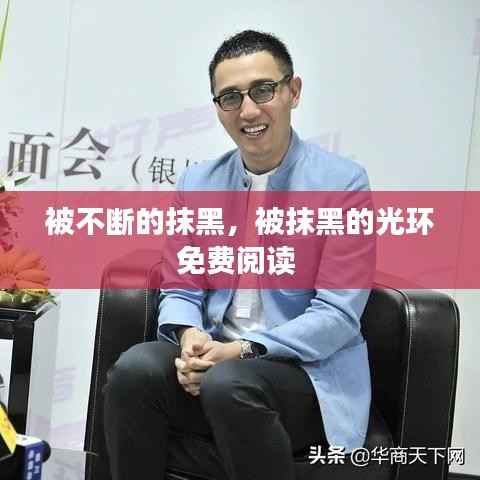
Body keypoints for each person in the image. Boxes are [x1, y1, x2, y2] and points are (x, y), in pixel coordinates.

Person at [103, 29, 375, 480]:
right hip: (217, 365)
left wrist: (241, 351)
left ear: (293, 91)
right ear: (217, 107)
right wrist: (191, 338)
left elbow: (337, 316)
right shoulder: (198, 183)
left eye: (263, 90)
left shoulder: (342, 184)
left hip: (303, 375)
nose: (248, 110)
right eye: (230, 97)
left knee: (230, 383)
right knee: (135, 370)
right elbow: (181, 287)